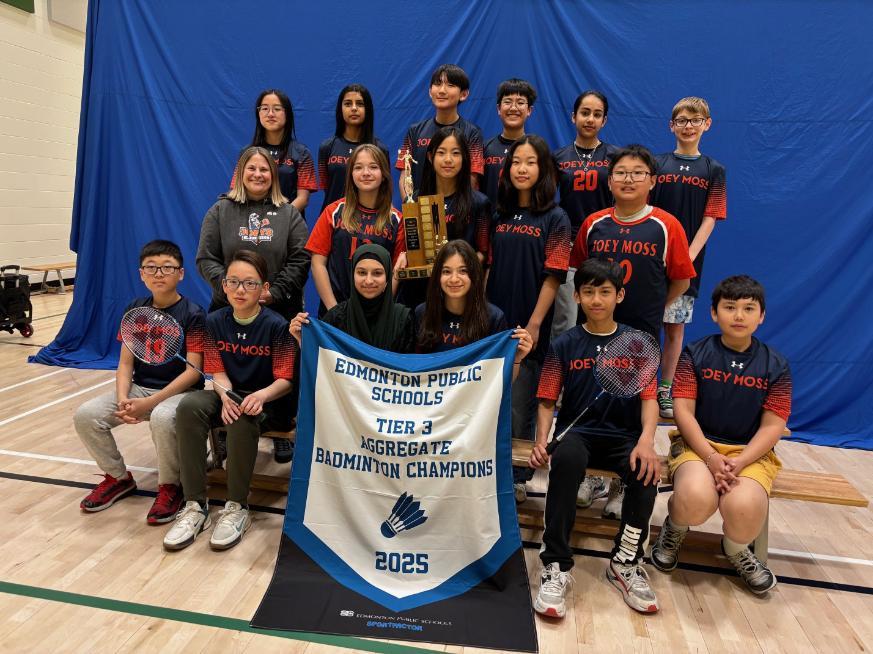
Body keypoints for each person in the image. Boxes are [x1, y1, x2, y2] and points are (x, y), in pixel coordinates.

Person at [529, 258, 660, 617]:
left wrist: (647, 440)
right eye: (589, 292)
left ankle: (625, 561)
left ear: (620, 295)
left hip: (624, 436)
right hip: (579, 434)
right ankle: (555, 562)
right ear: (578, 295)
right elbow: (546, 399)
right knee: (566, 460)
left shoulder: (637, 344)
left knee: (646, 473)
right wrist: (542, 440)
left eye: (605, 292)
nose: (597, 299)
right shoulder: (565, 344)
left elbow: (649, 400)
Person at [570, 145, 695, 520]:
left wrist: (651, 308)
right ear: (610, 180)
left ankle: (620, 484)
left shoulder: (666, 225)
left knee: (630, 409)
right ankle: (589, 475)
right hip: (592, 332)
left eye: (637, 173)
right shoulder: (593, 222)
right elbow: (578, 273)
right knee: (589, 400)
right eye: (621, 172)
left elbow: (682, 279)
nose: (628, 179)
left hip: (639, 334)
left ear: (652, 181)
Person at [651, 275, 790, 594]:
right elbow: (683, 412)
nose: (739, 315)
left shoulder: (776, 365)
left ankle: (736, 549)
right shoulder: (695, 354)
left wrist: (740, 462)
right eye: (730, 307)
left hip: (749, 454)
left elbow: (772, 426)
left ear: (762, 316)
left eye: (748, 308)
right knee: (696, 499)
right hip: (698, 448)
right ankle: (674, 528)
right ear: (714, 313)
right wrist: (712, 457)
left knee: (745, 509)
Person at [164, 250, 296, 552]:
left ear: (263, 289)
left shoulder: (277, 326)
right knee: (188, 407)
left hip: (269, 401)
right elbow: (217, 372)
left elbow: (285, 381)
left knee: (241, 415)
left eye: (249, 283)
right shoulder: (213, 322)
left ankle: (237, 507)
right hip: (230, 395)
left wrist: (257, 396)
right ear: (223, 285)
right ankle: (195, 505)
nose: (240, 289)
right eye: (233, 282)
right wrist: (225, 396)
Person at [73, 240, 205, 524]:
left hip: (180, 393)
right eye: (151, 268)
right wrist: (123, 398)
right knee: (87, 415)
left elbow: (193, 372)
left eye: (167, 267)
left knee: (161, 416)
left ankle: (171, 486)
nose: (159, 274)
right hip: (139, 389)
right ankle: (119, 478)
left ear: (180, 273)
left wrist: (149, 402)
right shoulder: (135, 309)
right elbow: (125, 362)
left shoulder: (194, 315)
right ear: (141, 274)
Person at [198, 146, 309, 463]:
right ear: (240, 173)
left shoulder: (288, 213)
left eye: (264, 169)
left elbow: (300, 260)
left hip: (278, 309)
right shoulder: (220, 210)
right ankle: (225, 431)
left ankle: (280, 427)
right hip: (228, 308)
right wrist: (234, 288)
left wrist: (271, 293)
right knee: (229, 372)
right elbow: (206, 257)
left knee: (281, 373)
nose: (258, 174)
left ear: (273, 176)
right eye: (252, 169)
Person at [486, 135, 571, 503]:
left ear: (544, 169)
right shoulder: (498, 212)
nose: (522, 168)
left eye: (530, 162)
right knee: (491, 397)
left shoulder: (556, 218)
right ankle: (486, 466)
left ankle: (518, 476)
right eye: (516, 161)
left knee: (520, 401)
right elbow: (488, 266)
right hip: (494, 320)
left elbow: (553, 276)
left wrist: (535, 322)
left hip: (528, 321)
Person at [552, 90, 619, 511]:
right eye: (584, 112)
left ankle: (602, 466)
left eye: (597, 114)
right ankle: (564, 398)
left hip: (604, 255)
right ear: (574, 116)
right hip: (569, 251)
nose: (590, 119)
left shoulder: (615, 160)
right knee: (567, 329)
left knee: (605, 335)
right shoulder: (559, 157)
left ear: (604, 120)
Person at [650, 96, 727, 419]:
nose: (688, 126)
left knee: (674, 329)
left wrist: (686, 256)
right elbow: (646, 210)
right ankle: (638, 386)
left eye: (695, 120)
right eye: (681, 120)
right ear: (671, 125)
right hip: (651, 258)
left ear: (707, 124)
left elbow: (711, 217)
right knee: (642, 326)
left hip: (686, 265)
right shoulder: (657, 164)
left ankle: (664, 390)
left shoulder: (714, 170)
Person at [397, 127, 492, 309]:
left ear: (465, 159)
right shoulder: (416, 199)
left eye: (455, 153)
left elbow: (483, 253)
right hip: (420, 293)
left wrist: (454, 271)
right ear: (431, 157)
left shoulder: (479, 203)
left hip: (459, 291)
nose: (448, 159)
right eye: (441, 153)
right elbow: (413, 247)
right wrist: (405, 257)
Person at [306, 144, 405, 317]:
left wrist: (382, 311)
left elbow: (397, 272)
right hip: (334, 311)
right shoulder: (333, 212)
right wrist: (334, 310)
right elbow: (317, 263)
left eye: (373, 167)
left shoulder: (396, 219)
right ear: (351, 175)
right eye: (358, 167)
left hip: (376, 316)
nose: (366, 173)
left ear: (384, 175)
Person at [415, 239, 532, 372]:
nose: (454, 279)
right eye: (446, 271)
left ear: (474, 275)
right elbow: (413, 370)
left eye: (463, 271)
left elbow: (502, 382)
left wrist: (517, 358)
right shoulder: (422, 312)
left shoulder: (494, 318)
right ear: (437, 276)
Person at [291, 244, 415, 354]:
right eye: (362, 273)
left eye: (377, 273)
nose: (369, 280)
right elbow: (315, 365)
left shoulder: (403, 319)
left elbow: (411, 371)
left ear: (388, 278)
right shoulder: (336, 318)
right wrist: (302, 341)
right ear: (352, 276)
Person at [396, 64, 484, 195]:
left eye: (450, 85)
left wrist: (453, 210)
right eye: (437, 84)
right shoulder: (415, 131)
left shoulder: (472, 133)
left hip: (457, 211)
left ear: (464, 94)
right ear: (430, 91)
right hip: (421, 210)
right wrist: (410, 208)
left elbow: (473, 177)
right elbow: (405, 174)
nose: (442, 90)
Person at [240, 88, 317, 215]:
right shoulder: (246, 152)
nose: (270, 114)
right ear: (258, 113)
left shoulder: (302, 153)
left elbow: (303, 199)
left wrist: (278, 221)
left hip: (288, 225)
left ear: (287, 114)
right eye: (264, 108)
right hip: (251, 226)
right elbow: (237, 190)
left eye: (277, 109)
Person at [318, 84, 390, 212]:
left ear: (368, 109)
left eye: (360, 104)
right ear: (340, 109)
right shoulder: (327, 147)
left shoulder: (380, 149)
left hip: (370, 224)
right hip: (333, 220)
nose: (354, 108)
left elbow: (384, 189)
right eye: (348, 104)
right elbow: (326, 186)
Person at [481, 78, 537, 206]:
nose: (513, 108)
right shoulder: (484, 148)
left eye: (520, 102)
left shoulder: (537, 150)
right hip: (489, 223)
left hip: (525, 223)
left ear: (529, 110)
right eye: (507, 102)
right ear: (499, 109)